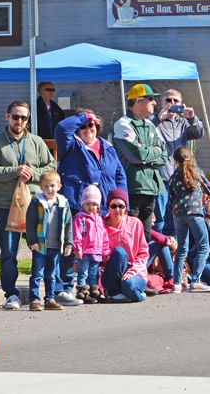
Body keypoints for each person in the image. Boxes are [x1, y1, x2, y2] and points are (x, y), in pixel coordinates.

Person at [0, 100, 55, 310]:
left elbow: (51, 166)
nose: (19, 121)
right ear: (7, 117)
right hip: (6, 205)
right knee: (9, 253)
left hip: (35, 205)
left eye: (23, 118)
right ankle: (11, 294)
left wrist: (33, 173)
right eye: (15, 117)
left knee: (40, 250)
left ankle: (40, 294)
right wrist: (14, 170)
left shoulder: (36, 142)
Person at [55, 109, 125, 294]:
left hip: (102, 209)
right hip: (77, 206)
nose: (87, 129)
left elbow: (120, 177)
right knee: (72, 248)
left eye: (91, 125)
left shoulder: (108, 148)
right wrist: (84, 117)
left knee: (98, 251)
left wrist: (120, 203)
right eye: (83, 126)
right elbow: (62, 128)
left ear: (98, 126)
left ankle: (96, 287)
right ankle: (66, 289)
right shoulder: (71, 145)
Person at [112, 84, 167, 239]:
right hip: (133, 187)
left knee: (146, 237)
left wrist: (148, 153)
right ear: (138, 101)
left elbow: (164, 156)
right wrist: (154, 151)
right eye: (150, 99)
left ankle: (143, 264)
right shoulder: (123, 124)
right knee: (130, 236)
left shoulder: (150, 125)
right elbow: (137, 155)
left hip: (151, 186)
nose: (154, 102)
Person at [152, 89, 205, 236]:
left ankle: (174, 255)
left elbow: (199, 133)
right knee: (159, 220)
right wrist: (158, 118)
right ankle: (158, 255)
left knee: (176, 220)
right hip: (160, 177)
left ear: (181, 104)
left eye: (175, 101)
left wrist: (192, 118)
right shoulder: (155, 121)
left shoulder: (183, 123)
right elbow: (145, 131)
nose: (171, 104)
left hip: (179, 178)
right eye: (168, 100)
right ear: (162, 103)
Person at [169, 147, 210, 293]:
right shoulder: (197, 172)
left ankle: (176, 283)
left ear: (175, 161)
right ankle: (195, 280)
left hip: (178, 214)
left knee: (182, 248)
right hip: (195, 213)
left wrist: (174, 211)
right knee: (204, 246)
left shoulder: (173, 176)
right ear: (191, 158)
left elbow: (170, 198)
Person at [25, 171, 73, 311]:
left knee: (51, 274)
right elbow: (30, 223)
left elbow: (68, 224)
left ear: (59, 186)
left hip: (56, 245)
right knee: (37, 273)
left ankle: (50, 299)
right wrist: (32, 241)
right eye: (46, 186)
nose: (49, 189)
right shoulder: (36, 203)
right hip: (40, 245)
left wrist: (69, 243)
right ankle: (34, 299)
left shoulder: (63, 203)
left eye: (52, 186)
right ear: (41, 187)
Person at [100, 188, 149, 303]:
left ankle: (135, 293)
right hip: (110, 273)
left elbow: (143, 253)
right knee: (119, 252)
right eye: (113, 206)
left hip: (134, 271)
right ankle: (115, 292)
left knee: (129, 286)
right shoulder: (100, 225)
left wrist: (133, 271)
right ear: (108, 207)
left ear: (126, 207)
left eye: (121, 206)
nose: (117, 210)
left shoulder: (135, 223)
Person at [72, 186, 108, 304]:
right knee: (83, 271)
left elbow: (104, 235)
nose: (91, 207)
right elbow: (77, 234)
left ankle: (94, 291)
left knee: (94, 272)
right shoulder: (80, 218)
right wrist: (78, 247)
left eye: (94, 204)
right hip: (85, 250)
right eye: (88, 204)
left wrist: (105, 250)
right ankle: (82, 291)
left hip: (96, 251)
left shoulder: (99, 219)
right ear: (83, 204)